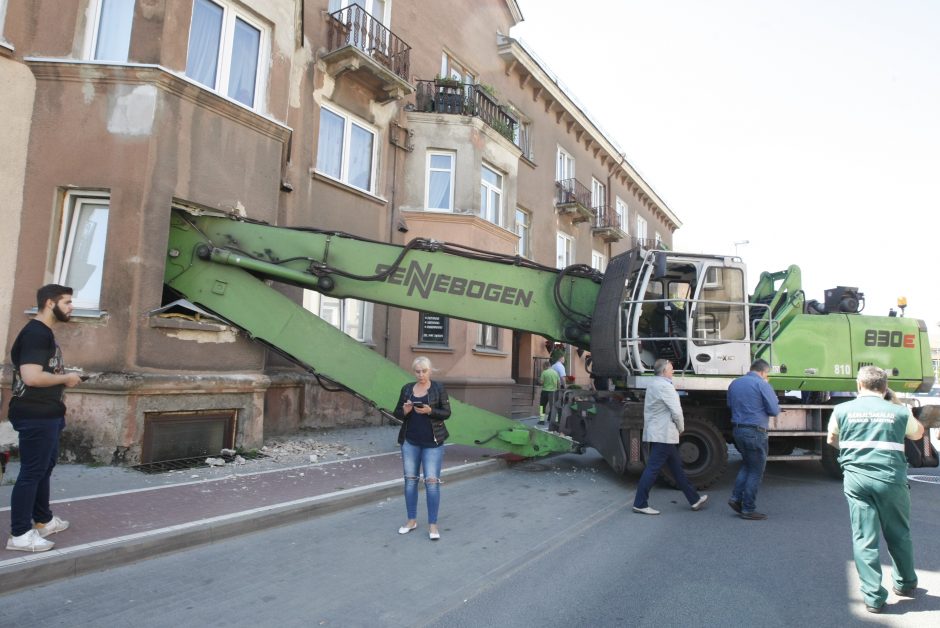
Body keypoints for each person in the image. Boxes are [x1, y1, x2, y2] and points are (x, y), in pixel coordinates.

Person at [827, 366, 925, 614]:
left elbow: (831, 440)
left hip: (856, 480)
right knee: (899, 533)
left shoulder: (841, 410)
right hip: (890, 480)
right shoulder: (898, 411)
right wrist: (897, 402)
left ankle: (873, 597)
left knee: (864, 538)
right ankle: (904, 583)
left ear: (859, 385)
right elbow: (918, 434)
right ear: (884, 387)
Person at [7, 284, 82, 552]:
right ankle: (19, 534)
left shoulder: (43, 333)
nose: (71, 307)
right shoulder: (36, 334)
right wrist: (67, 378)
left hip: (48, 413)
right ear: (50, 303)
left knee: (44, 467)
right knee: (31, 472)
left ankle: (42, 520)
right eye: (68, 302)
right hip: (35, 414)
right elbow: (32, 377)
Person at [632, 359, 708, 515]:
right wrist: (681, 428)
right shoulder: (665, 387)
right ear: (664, 371)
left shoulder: (653, 384)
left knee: (676, 468)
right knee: (653, 469)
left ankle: (694, 499)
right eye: (671, 369)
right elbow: (677, 412)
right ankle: (640, 503)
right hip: (664, 434)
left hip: (659, 432)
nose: (673, 371)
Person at [392, 356, 452, 541]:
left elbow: (447, 413)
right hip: (410, 442)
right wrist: (406, 411)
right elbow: (397, 413)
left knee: (431, 483)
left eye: (424, 371)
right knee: (410, 481)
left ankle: (433, 525)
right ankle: (411, 521)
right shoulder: (407, 389)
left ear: (430, 371)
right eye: (417, 371)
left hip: (432, 443)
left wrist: (430, 411)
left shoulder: (438, 388)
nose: (421, 375)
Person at [726, 358, 779, 520]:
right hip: (755, 431)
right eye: (767, 374)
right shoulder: (762, 384)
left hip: (738, 430)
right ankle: (748, 508)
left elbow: (729, 405)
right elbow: (774, 410)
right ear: (763, 372)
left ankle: (736, 498)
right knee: (756, 470)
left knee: (748, 465)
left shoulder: (734, 383)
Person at [538, 361, 561, 427]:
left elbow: (541, 382)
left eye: (543, 366)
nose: (543, 367)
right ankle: (552, 420)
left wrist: (539, 381)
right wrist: (558, 390)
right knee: (552, 406)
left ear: (545, 366)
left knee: (542, 406)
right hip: (553, 392)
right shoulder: (555, 373)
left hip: (545, 391)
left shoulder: (544, 372)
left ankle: (542, 420)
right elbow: (559, 383)